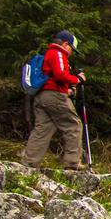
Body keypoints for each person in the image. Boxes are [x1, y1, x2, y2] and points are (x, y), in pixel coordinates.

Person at [23, 30, 87, 170]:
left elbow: (51, 77)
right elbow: (60, 75)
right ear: (65, 44)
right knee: (74, 125)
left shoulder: (49, 53)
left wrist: (68, 90)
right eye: (72, 48)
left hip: (42, 96)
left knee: (43, 129)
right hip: (54, 96)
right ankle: (72, 163)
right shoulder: (58, 52)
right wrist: (77, 79)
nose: (71, 52)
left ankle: (29, 164)